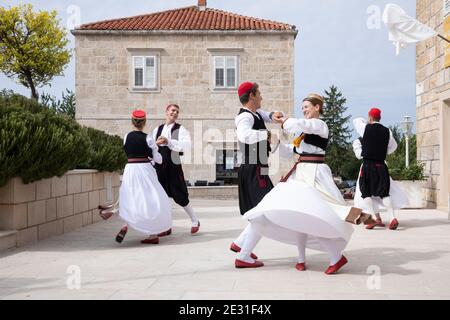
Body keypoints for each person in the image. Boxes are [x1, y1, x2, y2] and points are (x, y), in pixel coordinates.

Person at [235, 93, 375, 274]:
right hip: (301, 173)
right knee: (301, 214)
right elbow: (290, 152)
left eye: (307, 107)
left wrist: (283, 120)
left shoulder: (319, 125)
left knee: (314, 212)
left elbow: (301, 124)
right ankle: (315, 258)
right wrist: (275, 142)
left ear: (317, 107)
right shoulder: (304, 133)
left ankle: (337, 250)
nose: (304, 110)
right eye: (302, 108)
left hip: (314, 173)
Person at [229, 82, 284, 262]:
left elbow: (265, 115)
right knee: (264, 214)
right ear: (251, 95)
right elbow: (244, 135)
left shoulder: (255, 113)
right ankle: (243, 256)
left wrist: (273, 115)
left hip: (258, 168)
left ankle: (239, 244)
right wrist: (267, 136)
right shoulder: (244, 117)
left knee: (263, 211)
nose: (261, 97)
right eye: (259, 94)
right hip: (253, 169)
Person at [115, 110, 172, 244]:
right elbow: (157, 159)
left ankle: (127, 224)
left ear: (132, 122)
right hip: (145, 170)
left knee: (131, 197)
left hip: (130, 169)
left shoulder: (126, 136)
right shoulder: (148, 138)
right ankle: (153, 235)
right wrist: (158, 149)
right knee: (151, 199)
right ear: (144, 122)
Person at [352, 108, 407, 230]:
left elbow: (356, 121)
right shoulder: (387, 131)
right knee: (384, 193)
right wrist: (383, 151)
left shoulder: (365, 128)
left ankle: (373, 219)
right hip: (382, 165)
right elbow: (394, 146)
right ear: (380, 118)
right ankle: (393, 218)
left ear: (370, 118)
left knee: (365, 192)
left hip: (368, 165)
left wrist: (367, 123)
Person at [153, 104, 200, 235]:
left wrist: (169, 142)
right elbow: (152, 147)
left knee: (179, 195)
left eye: (177, 112)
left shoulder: (181, 129)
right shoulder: (157, 129)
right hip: (159, 167)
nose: (175, 113)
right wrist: (155, 145)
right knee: (163, 197)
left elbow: (186, 146)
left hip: (174, 165)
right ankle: (166, 226)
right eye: (173, 110)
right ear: (166, 112)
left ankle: (195, 220)